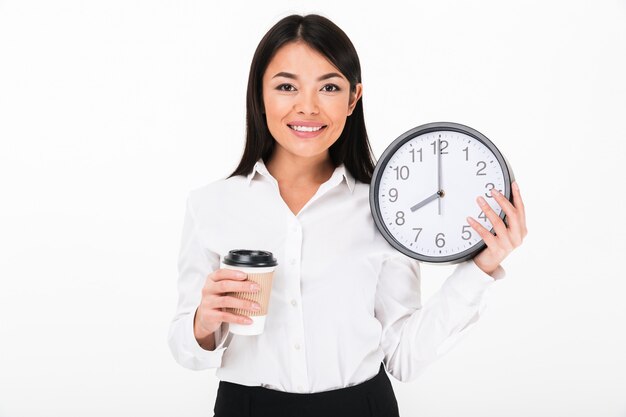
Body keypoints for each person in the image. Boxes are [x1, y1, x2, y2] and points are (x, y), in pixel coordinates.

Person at [168, 13, 527, 417]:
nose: (307, 107)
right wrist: (202, 324)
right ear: (259, 95)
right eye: (286, 86)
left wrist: (480, 269)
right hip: (246, 406)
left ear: (353, 98)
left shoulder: (385, 211)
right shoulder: (211, 205)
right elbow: (187, 350)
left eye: (329, 87)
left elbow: (404, 357)